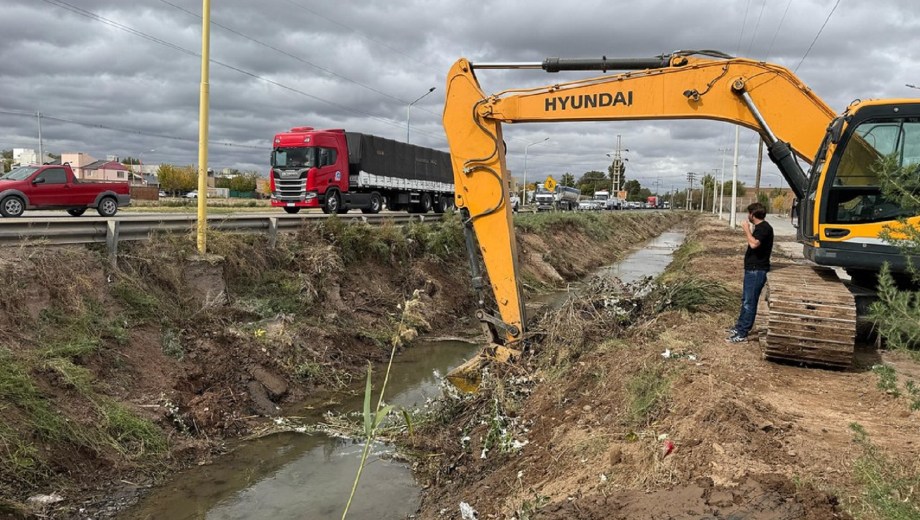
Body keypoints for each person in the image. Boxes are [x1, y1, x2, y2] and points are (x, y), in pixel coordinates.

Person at [728, 202, 774, 343]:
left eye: (749, 213)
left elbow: (753, 244)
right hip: (753, 269)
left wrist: (746, 229)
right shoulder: (761, 227)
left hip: (756, 271)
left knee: (750, 302)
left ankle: (742, 334)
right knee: (746, 300)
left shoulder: (764, 228)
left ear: (753, 215)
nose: (747, 216)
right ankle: (740, 326)